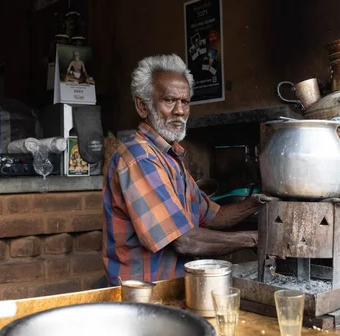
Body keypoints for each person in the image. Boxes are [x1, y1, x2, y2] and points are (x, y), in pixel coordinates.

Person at [102, 54, 260, 285]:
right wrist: (256, 239)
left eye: (185, 102)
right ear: (142, 106)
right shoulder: (139, 159)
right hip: (143, 295)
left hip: (171, 288)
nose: (180, 111)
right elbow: (184, 241)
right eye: (169, 101)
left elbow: (213, 216)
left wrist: (261, 202)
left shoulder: (170, 157)